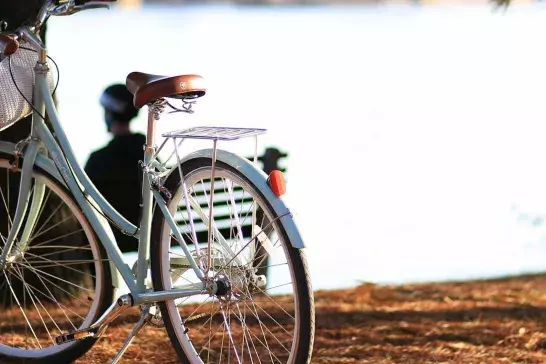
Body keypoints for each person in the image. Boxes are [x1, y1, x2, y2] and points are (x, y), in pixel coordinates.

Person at [84, 84, 145, 253]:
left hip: (108, 238)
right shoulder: (147, 155)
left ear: (109, 114)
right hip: (145, 235)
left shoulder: (97, 160)